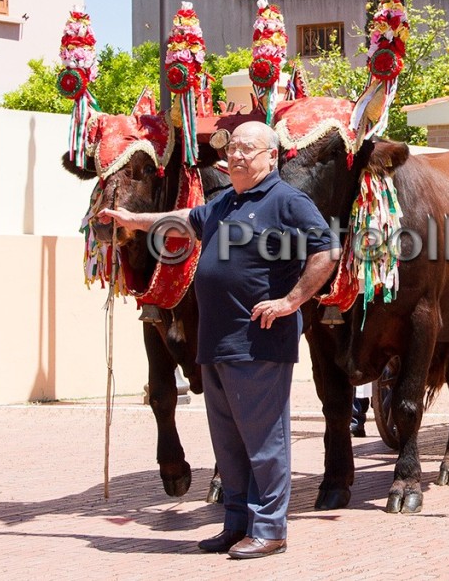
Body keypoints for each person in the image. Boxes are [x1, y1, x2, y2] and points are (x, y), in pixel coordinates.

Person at [99, 121, 337, 559]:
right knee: (228, 445)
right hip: (217, 342)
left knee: (265, 444)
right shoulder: (224, 202)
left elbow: (326, 250)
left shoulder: (288, 201)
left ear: (271, 156)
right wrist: (132, 219)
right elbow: (181, 222)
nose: (239, 154)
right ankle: (235, 524)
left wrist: (291, 301)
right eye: (235, 148)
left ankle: (270, 529)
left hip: (260, 342)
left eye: (250, 148)